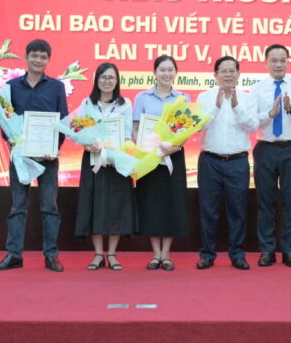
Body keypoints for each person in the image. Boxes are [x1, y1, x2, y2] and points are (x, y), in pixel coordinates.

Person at [0, 39, 68, 273]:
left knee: (50, 207)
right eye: (34, 55)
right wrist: (9, 140)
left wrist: (54, 148)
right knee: (18, 206)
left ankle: (51, 255)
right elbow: (4, 118)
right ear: (26, 57)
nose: (38, 60)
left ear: (48, 60)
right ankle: (14, 255)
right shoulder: (11, 86)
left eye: (43, 57)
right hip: (20, 155)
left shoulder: (56, 87)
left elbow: (63, 120)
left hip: (47, 157)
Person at [251, 44, 291, 268]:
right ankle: (267, 250)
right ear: (266, 63)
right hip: (265, 148)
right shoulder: (257, 89)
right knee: (265, 202)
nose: (278, 64)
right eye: (274, 60)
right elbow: (251, 122)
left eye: (282, 60)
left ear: (288, 61)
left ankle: (290, 251)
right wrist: (270, 113)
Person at [195, 56, 259, 270]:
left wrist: (236, 106)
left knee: (237, 210)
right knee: (208, 210)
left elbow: (252, 126)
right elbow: (198, 127)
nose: (228, 75)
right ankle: (207, 254)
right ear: (215, 75)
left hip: (237, 162)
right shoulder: (204, 97)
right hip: (210, 161)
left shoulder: (248, 98)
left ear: (239, 75)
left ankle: (237, 254)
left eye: (232, 71)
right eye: (224, 71)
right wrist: (215, 107)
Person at [74, 62, 136, 271]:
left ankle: (112, 254)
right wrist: (87, 144)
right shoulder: (87, 103)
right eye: (103, 77)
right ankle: (98, 254)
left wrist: (112, 147)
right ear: (97, 80)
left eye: (111, 77)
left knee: (117, 205)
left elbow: (126, 134)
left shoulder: (125, 104)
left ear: (117, 81)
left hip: (117, 161)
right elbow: (79, 130)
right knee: (94, 204)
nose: (107, 81)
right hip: (93, 160)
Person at [132, 55, 190, 271]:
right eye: (162, 70)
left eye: (170, 70)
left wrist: (176, 145)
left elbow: (186, 129)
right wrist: (144, 147)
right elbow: (136, 128)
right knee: (151, 203)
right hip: (149, 157)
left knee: (171, 204)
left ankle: (166, 254)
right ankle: (155, 254)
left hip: (173, 155)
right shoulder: (142, 97)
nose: (166, 74)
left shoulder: (183, 98)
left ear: (176, 72)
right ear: (154, 73)